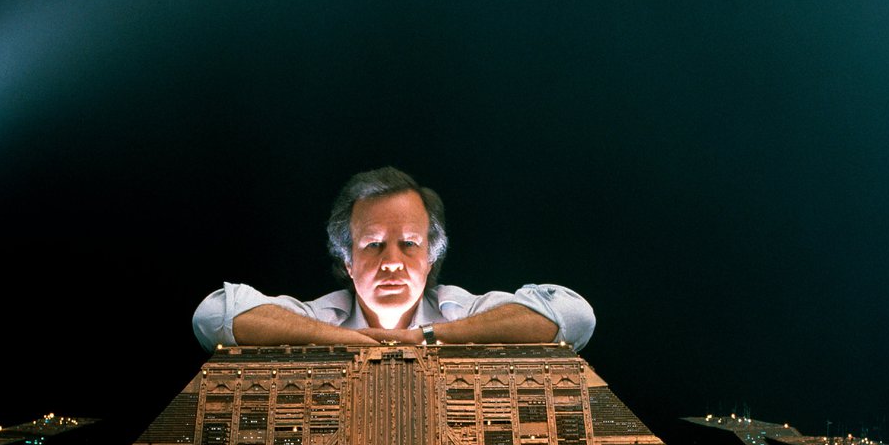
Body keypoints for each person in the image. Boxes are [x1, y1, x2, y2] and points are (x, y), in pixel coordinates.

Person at [192, 166, 595, 352]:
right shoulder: (319, 318)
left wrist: (425, 337)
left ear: (430, 258)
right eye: (373, 245)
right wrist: (351, 340)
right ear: (347, 262)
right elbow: (212, 316)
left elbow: (574, 315)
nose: (391, 262)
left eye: (409, 244)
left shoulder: (460, 311)